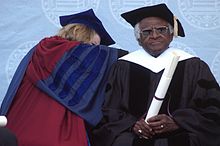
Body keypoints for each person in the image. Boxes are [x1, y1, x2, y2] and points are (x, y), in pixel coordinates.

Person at [90, 3, 220, 146]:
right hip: (133, 136)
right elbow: (110, 110)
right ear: (138, 39)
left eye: (161, 30)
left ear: (171, 34)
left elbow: (212, 109)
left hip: (182, 134)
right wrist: (132, 124)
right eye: (146, 32)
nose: (155, 35)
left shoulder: (194, 66)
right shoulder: (122, 67)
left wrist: (178, 121)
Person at [0, 9, 127, 146]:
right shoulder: (63, 51)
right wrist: (133, 59)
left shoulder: (40, 51)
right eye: (93, 46)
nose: (96, 52)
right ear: (83, 34)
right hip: (52, 132)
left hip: (18, 125)